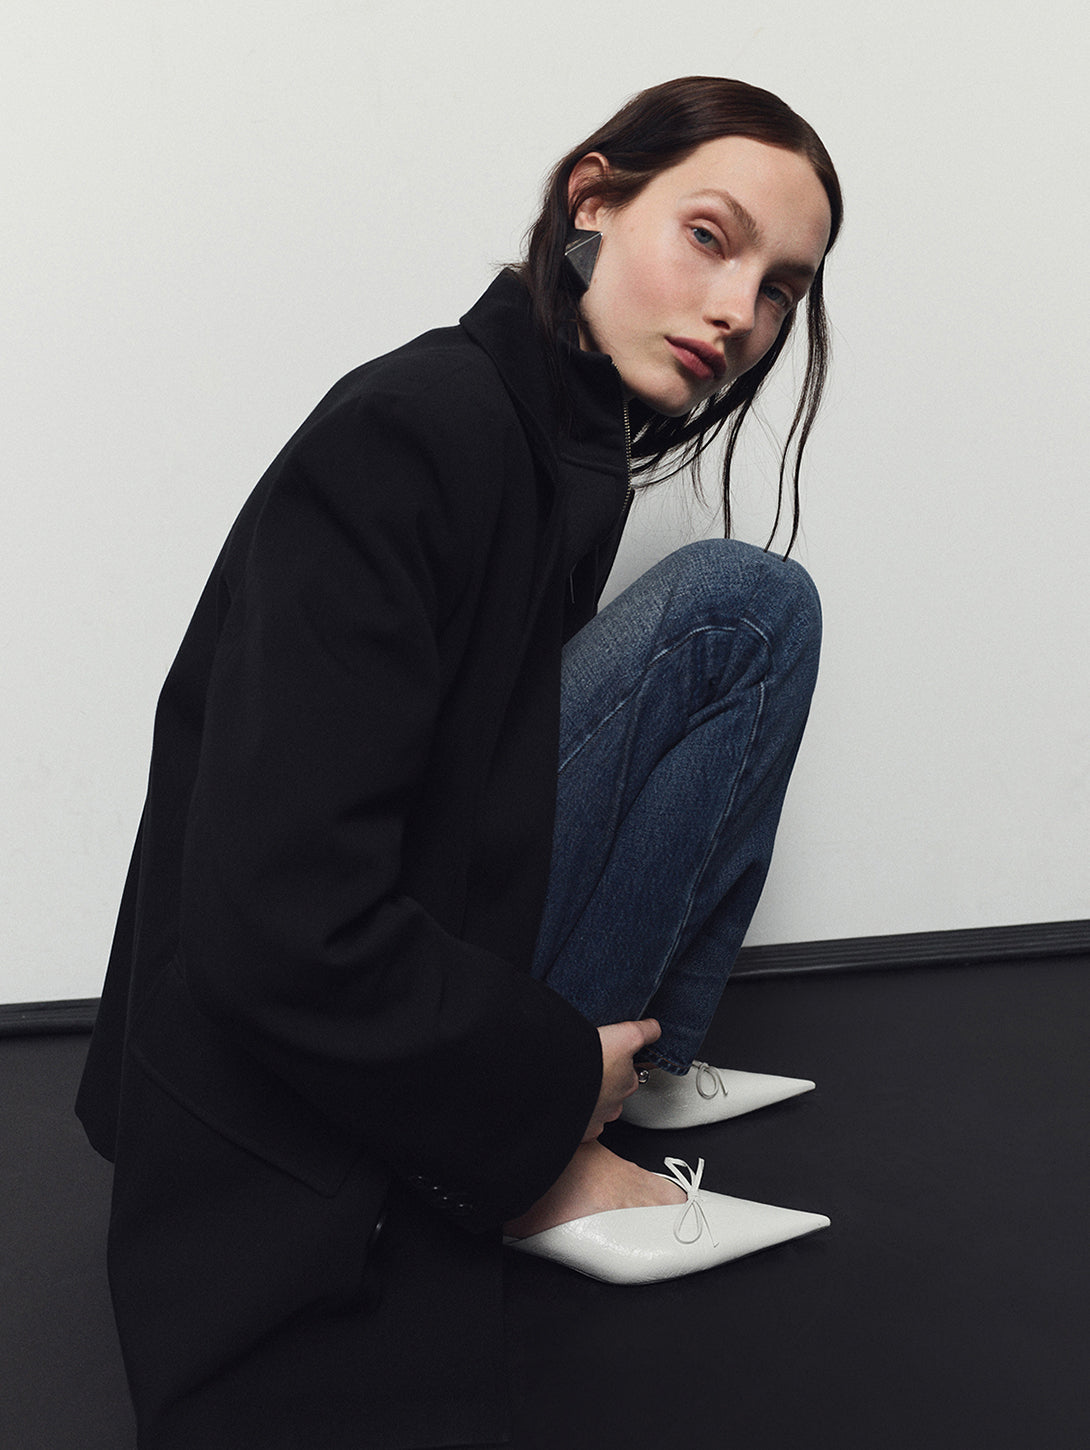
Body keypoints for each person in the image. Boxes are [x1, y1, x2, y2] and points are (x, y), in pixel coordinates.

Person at [77, 75, 842, 1450]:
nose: (740, 310)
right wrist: (527, 1093)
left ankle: (645, 1060)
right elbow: (270, 899)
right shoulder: (419, 424)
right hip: (291, 1024)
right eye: (710, 238)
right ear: (591, 202)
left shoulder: (556, 433)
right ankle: (564, 1129)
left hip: (433, 918)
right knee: (739, 608)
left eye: (780, 287)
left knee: (761, 610)